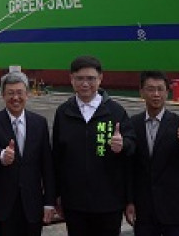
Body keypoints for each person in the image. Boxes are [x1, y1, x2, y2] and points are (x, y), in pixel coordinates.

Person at [52, 55, 136, 236]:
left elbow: (132, 148)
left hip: (109, 203)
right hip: (74, 203)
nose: (85, 84)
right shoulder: (63, 112)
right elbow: (57, 157)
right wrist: (56, 194)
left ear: (100, 79)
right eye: (79, 78)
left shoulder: (115, 111)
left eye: (90, 78)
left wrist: (123, 145)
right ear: (71, 79)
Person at [0, 71, 56, 236]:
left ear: (27, 94)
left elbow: (47, 164)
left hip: (32, 204)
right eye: (10, 93)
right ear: (3, 95)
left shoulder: (39, 123)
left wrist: (49, 202)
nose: (15, 98)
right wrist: (3, 155)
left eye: (19, 92)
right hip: (2, 206)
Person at [125, 70, 179, 236]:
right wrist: (129, 201)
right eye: (150, 89)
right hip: (144, 209)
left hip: (175, 207)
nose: (156, 94)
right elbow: (129, 166)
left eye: (160, 89)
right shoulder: (133, 123)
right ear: (141, 92)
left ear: (167, 92)